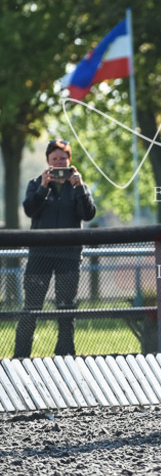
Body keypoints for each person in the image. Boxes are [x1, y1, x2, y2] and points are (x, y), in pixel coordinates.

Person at [14, 138, 97, 359]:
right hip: (40, 255)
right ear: (48, 161)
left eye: (63, 159)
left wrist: (80, 188)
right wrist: (43, 187)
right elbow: (30, 210)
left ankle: (65, 356)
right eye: (55, 159)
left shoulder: (80, 186)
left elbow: (88, 214)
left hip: (69, 256)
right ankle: (20, 357)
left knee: (66, 309)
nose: (59, 163)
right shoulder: (36, 183)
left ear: (70, 161)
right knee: (31, 309)